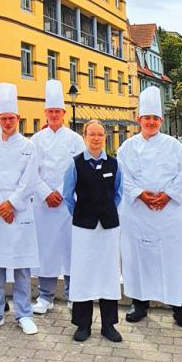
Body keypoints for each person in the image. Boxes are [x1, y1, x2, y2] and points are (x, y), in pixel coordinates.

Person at [118, 86, 182, 328]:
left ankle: (180, 307)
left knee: (174, 259)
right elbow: (122, 176)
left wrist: (167, 195)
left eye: (154, 118)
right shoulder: (127, 147)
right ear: (138, 119)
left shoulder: (174, 146)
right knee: (137, 258)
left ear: (160, 120)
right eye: (146, 118)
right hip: (138, 214)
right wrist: (141, 195)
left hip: (168, 215)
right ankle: (139, 303)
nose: (150, 122)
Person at [0, 83, 40, 336]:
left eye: (12, 118)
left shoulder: (29, 146)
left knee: (22, 267)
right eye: (4, 118)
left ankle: (24, 313)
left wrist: (11, 204)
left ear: (18, 119)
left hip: (20, 212)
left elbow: (30, 180)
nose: (8, 122)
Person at [63, 120, 123, 342]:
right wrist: (83, 213)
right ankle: (83, 325)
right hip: (83, 227)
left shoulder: (114, 164)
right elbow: (67, 196)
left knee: (108, 273)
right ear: (85, 136)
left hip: (108, 227)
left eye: (100, 134)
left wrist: (104, 211)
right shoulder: (75, 164)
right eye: (92, 134)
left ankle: (109, 325)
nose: (96, 138)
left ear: (105, 137)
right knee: (83, 273)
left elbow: (118, 194)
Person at [31, 80, 85, 314]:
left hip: (68, 204)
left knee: (71, 249)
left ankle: (74, 295)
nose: (54, 115)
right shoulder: (34, 140)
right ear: (45, 113)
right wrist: (46, 193)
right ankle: (46, 296)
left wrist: (61, 192)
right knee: (46, 250)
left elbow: (79, 170)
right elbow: (30, 172)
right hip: (43, 206)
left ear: (63, 113)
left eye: (57, 111)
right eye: (50, 111)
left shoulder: (75, 139)